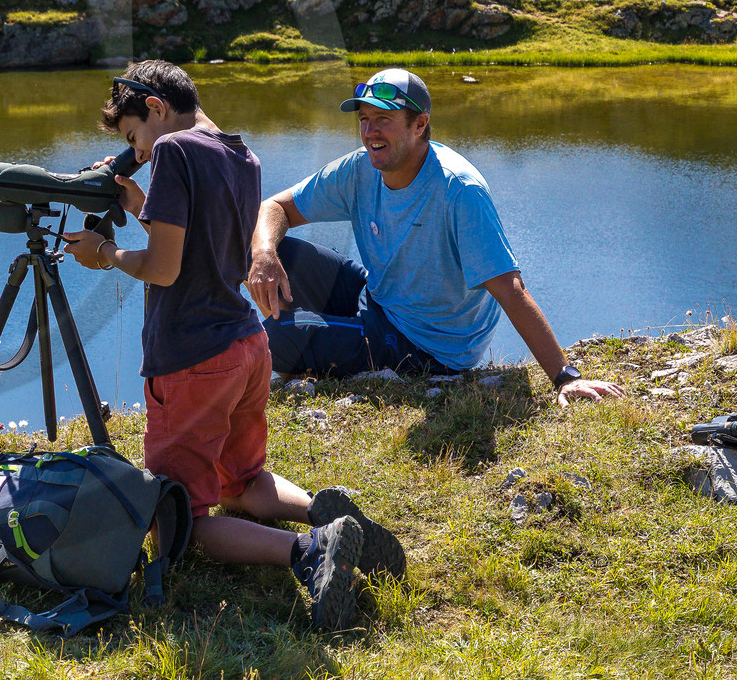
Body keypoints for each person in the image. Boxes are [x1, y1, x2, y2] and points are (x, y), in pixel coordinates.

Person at [61, 60, 404, 632]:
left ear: (155, 107)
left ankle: (310, 552)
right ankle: (331, 519)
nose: (138, 152)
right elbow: (198, 244)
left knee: (181, 523)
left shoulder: (172, 152)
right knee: (240, 483)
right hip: (245, 348)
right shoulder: (242, 154)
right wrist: (137, 205)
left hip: (192, 360)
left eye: (132, 137)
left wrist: (104, 255)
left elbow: (165, 269)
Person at [247, 67, 626, 406]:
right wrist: (264, 251)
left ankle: (303, 348)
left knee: (276, 338)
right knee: (275, 251)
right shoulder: (359, 169)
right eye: (364, 119)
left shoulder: (459, 190)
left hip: (428, 342)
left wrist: (563, 376)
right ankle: (312, 344)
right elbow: (275, 208)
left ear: (419, 124)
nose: (369, 132)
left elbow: (510, 288)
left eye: (383, 119)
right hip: (381, 297)